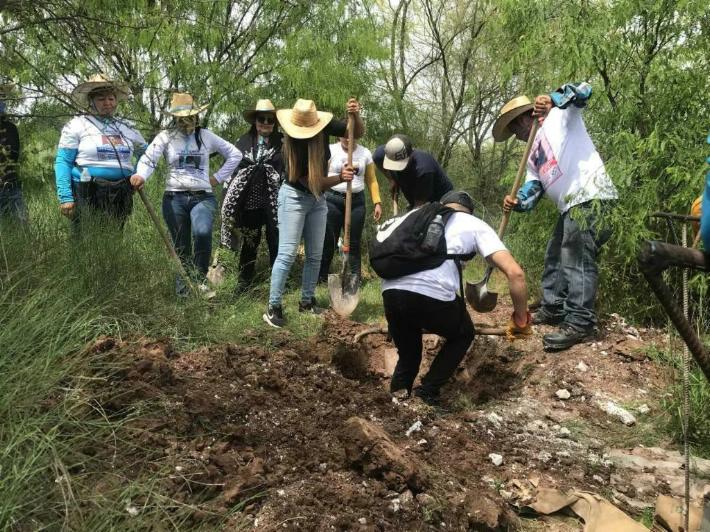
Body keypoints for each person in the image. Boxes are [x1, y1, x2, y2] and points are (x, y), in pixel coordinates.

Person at [496, 82, 618, 351]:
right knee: (555, 255)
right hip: (570, 206)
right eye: (512, 130)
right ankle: (553, 308)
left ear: (529, 115)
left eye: (516, 125)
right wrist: (517, 201)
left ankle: (580, 322)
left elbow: (585, 89)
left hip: (591, 196)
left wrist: (553, 98)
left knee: (577, 258)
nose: (516, 132)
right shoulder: (532, 155)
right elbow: (533, 190)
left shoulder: (562, 115)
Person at [381, 190, 530, 405]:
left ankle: (397, 398)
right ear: (468, 212)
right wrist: (521, 320)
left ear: (442, 205)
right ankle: (427, 393)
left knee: (409, 352)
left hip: (391, 292)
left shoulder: (415, 216)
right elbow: (516, 274)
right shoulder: (473, 223)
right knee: (463, 333)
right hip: (431, 294)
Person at [263, 98, 363, 328]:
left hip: (317, 200)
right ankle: (273, 306)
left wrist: (355, 115)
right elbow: (312, 183)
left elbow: (354, 132)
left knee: (315, 254)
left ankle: (306, 302)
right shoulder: (290, 148)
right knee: (287, 253)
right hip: (294, 198)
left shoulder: (324, 126)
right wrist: (340, 177)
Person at [130, 93, 242, 296]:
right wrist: (141, 175)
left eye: (190, 117)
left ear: (196, 117)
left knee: (202, 232)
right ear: (175, 118)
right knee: (181, 243)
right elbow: (149, 159)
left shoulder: (206, 136)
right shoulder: (166, 136)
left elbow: (235, 154)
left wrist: (217, 178)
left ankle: (200, 282)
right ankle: (184, 292)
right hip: (174, 197)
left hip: (202, 196)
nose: (186, 122)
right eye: (181, 118)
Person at [54, 74, 147, 230]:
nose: (107, 103)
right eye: (101, 99)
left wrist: (139, 174)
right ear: (91, 101)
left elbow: (147, 154)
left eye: (111, 98)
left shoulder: (127, 126)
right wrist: (65, 197)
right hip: (86, 191)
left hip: (121, 192)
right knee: (85, 240)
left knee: (114, 239)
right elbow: (63, 161)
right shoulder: (77, 125)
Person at [219, 99, 283, 290]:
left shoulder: (282, 143)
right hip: (250, 202)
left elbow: (288, 168)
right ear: (254, 121)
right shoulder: (243, 142)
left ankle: (278, 282)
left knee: (276, 239)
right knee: (250, 241)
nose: (265, 122)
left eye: (270, 119)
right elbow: (233, 170)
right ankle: (245, 281)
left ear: (275, 122)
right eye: (261, 118)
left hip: (275, 201)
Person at [318, 135, 382, 283]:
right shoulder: (330, 150)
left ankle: (355, 278)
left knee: (353, 242)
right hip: (332, 200)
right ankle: (321, 277)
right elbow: (321, 176)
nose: (347, 139)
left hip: (356, 202)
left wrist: (377, 202)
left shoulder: (365, 153)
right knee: (329, 240)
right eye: (344, 136)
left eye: (350, 136)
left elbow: (371, 179)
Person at [372, 134, 453, 209]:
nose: (396, 169)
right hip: (416, 199)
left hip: (439, 202)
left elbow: (419, 208)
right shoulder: (389, 152)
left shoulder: (424, 169)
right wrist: (391, 179)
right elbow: (377, 157)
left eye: (399, 165)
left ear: (410, 155)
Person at [0, 82, 27, 224]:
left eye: (2, 97)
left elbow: (14, 155)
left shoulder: (10, 127)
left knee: (23, 230)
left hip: (12, 188)